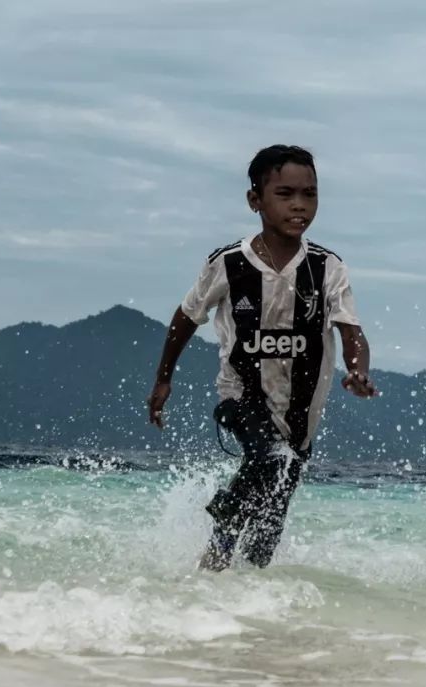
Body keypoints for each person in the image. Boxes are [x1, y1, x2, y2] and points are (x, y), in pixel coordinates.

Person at [147, 144, 376, 571]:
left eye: (310, 194)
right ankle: (214, 554)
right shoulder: (229, 263)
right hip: (240, 396)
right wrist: (164, 379)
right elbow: (185, 317)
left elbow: (352, 332)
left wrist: (358, 369)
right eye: (285, 193)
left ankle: (247, 598)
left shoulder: (328, 268)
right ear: (255, 200)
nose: (299, 205)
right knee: (268, 459)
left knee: (269, 524)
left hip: (301, 414)